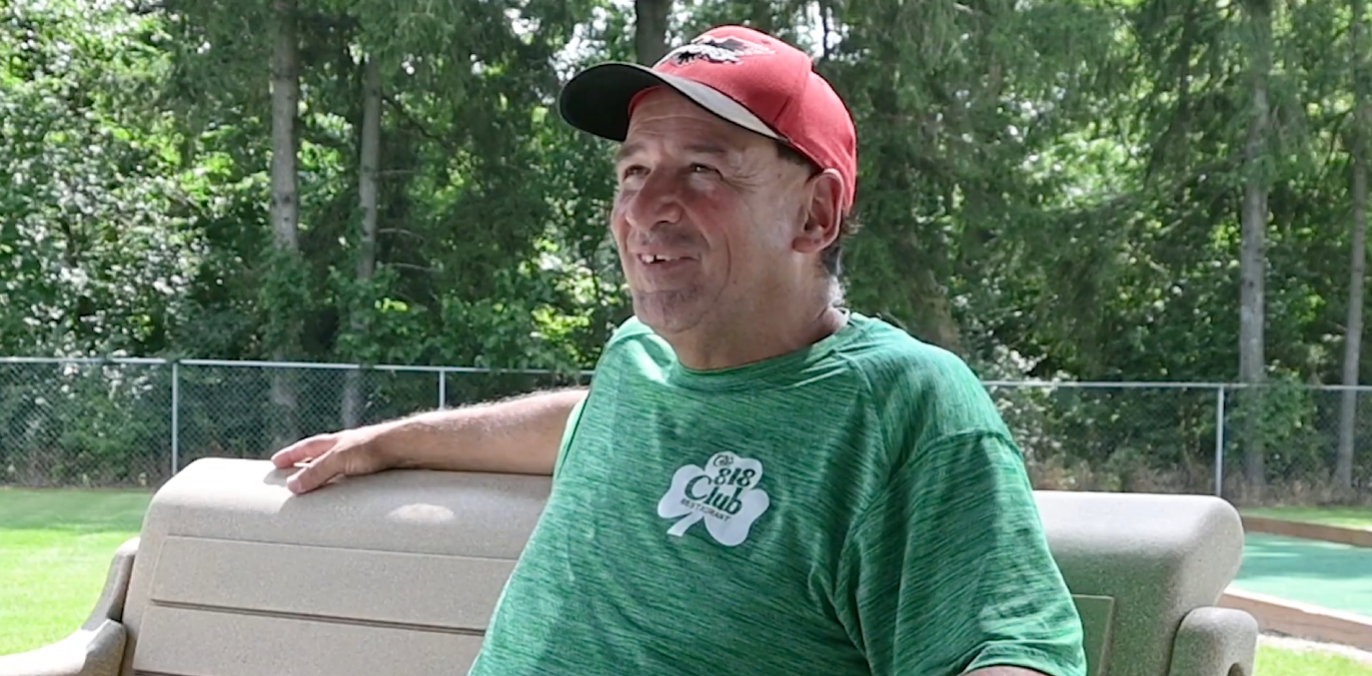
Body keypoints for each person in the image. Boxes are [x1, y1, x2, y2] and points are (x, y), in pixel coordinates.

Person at [271, 24, 1087, 676]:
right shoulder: (640, 363)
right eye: (633, 170)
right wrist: (390, 440)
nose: (647, 208)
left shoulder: (902, 406)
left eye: (702, 170)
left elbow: (1011, 650)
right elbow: (589, 423)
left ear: (817, 215)